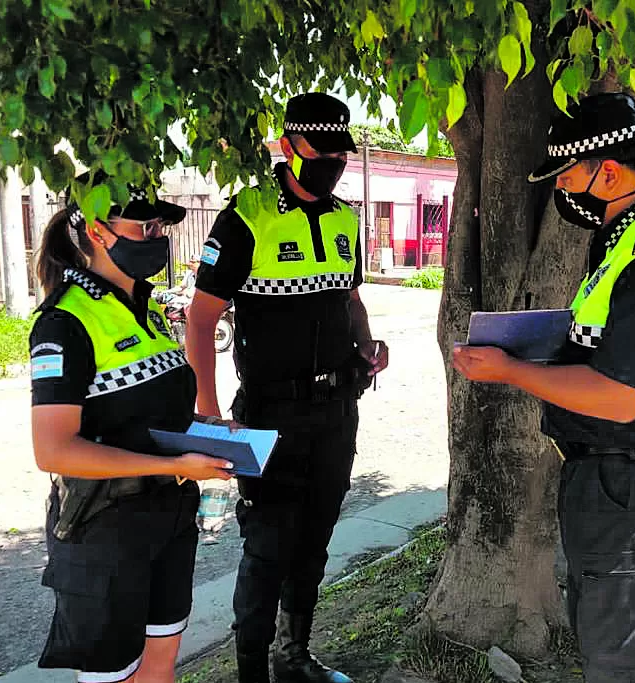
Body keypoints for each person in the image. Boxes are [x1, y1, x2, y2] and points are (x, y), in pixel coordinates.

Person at [452, 92, 635, 683]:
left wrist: (508, 371)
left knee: (632, 664)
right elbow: (616, 338)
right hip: (621, 482)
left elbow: (622, 395)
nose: (562, 192)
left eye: (568, 177)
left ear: (607, 172)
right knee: (614, 645)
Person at [185, 92, 389, 683]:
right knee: (268, 551)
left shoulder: (345, 217)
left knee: (315, 542)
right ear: (288, 146)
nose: (331, 162)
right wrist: (208, 411)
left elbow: (349, 297)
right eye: (319, 151)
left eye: (339, 154)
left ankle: (294, 655)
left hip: (337, 412)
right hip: (268, 417)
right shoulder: (244, 217)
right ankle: (252, 672)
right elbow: (201, 319)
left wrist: (367, 346)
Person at [30, 173, 238, 683]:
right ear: (97, 233)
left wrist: (208, 429)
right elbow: (54, 451)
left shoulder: (146, 309)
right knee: (114, 675)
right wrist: (174, 464)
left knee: (160, 665)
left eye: (161, 226)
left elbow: (153, 413)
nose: (158, 237)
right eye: (144, 228)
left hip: (168, 517)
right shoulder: (64, 323)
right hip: (105, 531)